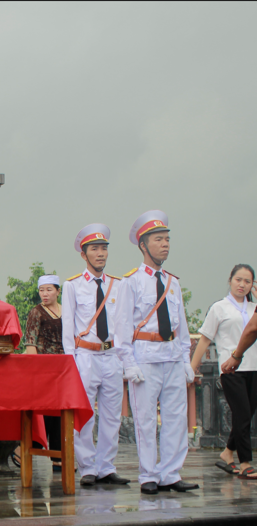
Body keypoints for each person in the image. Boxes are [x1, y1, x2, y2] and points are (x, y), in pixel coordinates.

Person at [113, 210, 198, 495]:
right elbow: (122, 328)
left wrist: (186, 360)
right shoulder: (131, 282)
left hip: (172, 356)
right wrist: (128, 363)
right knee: (146, 420)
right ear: (143, 245)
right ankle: (149, 474)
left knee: (176, 418)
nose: (165, 245)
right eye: (159, 240)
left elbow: (182, 326)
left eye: (167, 239)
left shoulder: (173, 282)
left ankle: (171, 473)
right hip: (145, 359)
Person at [62, 224, 130, 487]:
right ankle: (88, 467)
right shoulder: (73, 286)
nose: (100, 254)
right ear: (84, 255)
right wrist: (71, 362)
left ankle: (107, 467)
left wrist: (125, 359)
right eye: (94, 249)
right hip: (85, 356)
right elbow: (68, 326)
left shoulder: (118, 285)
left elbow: (123, 325)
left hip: (111, 355)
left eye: (104, 248)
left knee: (113, 415)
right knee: (85, 414)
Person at [191, 265, 257, 479]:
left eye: (247, 281)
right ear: (230, 280)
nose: (242, 284)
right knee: (243, 415)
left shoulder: (253, 309)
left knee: (245, 416)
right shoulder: (219, 308)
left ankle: (227, 452)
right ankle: (245, 461)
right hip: (231, 370)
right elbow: (205, 339)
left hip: (254, 368)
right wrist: (192, 368)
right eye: (239, 279)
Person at [17, 274, 66, 471]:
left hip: (64, 367)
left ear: (58, 291)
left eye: (49, 290)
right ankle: (33, 450)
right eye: (41, 290)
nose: (44, 294)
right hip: (44, 369)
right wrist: (36, 371)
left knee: (61, 412)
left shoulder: (67, 311)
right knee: (46, 412)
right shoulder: (36, 312)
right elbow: (30, 342)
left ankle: (59, 456)